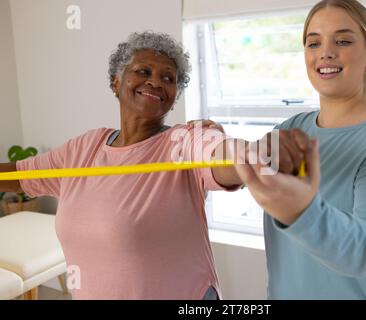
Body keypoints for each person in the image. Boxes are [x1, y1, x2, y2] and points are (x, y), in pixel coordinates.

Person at [0, 31, 306, 299]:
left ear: (173, 97)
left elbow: (221, 156)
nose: (155, 82)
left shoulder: (185, 141)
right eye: (143, 71)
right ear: (115, 82)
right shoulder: (85, 148)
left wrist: (256, 154)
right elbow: (18, 176)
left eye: (168, 78)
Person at [233, 0, 366, 299]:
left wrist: (302, 212)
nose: (325, 53)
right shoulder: (287, 132)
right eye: (313, 43)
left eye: (342, 41)